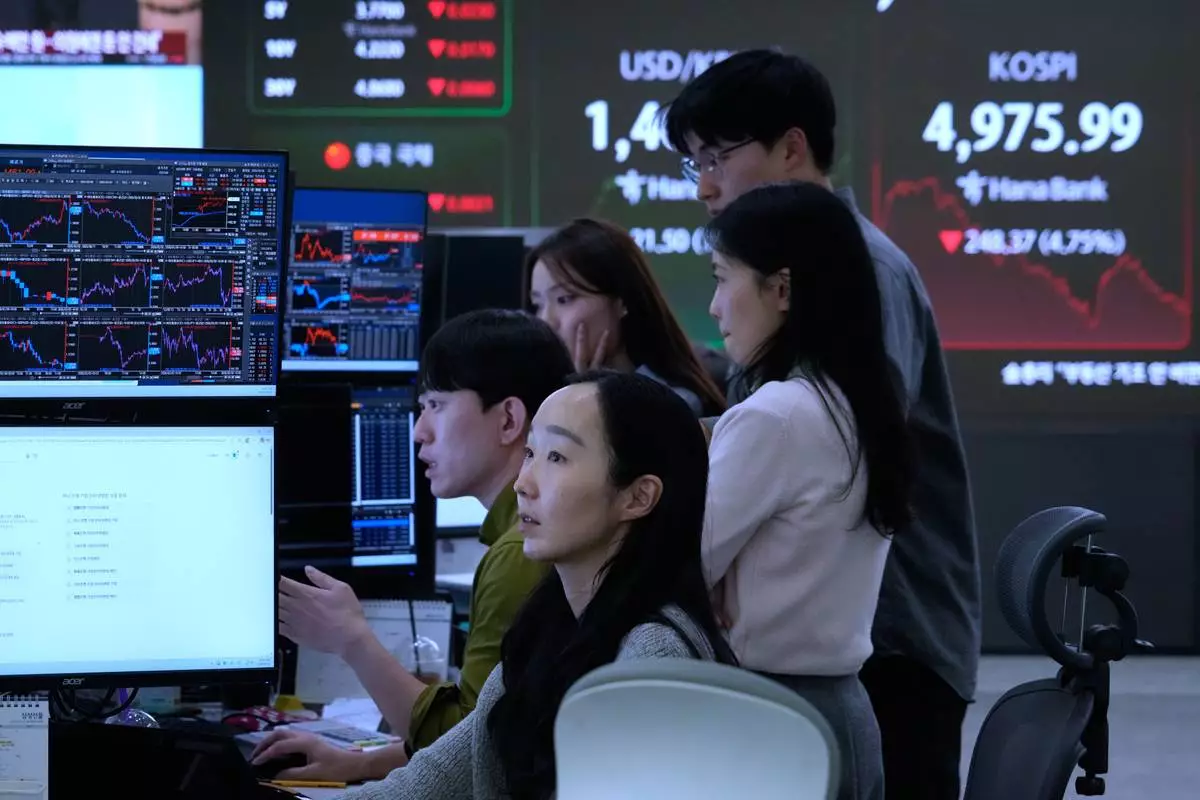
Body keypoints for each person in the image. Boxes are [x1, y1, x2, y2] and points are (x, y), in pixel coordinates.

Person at [665, 49, 981, 800]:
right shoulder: (801, 274)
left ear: (792, 147)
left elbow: (841, 448)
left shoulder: (860, 273)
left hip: (886, 640)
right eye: (692, 163)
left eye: (717, 156)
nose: (705, 184)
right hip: (839, 640)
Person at [336, 371, 736, 800]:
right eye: (530, 453)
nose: (523, 483)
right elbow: (428, 782)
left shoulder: (652, 658)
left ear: (637, 497)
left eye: (557, 457)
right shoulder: (549, 632)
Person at [254, 310, 572, 783]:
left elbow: (470, 750)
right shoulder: (523, 540)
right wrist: (362, 764)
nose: (418, 430)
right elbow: (488, 736)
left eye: (437, 405)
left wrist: (352, 640)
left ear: (508, 419)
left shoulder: (519, 554)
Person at [700, 181, 913, 799]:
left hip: (773, 722)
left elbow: (677, 573)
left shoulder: (776, 415)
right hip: (841, 713)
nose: (715, 307)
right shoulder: (855, 400)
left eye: (721, 278)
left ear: (782, 289)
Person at [527, 217, 726, 416]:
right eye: (538, 305)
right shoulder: (537, 398)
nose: (546, 321)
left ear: (621, 301)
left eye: (564, 299)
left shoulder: (668, 404)